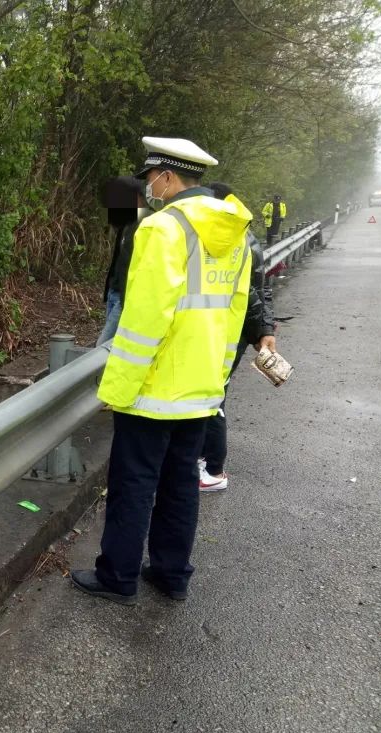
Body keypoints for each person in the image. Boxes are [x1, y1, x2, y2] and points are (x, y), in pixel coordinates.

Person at [71, 137, 252, 605]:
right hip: (202, 388)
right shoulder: (236, 233)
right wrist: (218, 379)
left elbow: (145, 320)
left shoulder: (162, 230)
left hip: (153, 390)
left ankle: (117, 577)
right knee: (180, 484)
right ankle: (172, 574)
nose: (149, 186)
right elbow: (233, 314)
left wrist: (118, 387)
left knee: (134, 483)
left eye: (151, 177)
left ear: (168, 177)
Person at [198, 182, 277, 492]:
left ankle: (213, 470)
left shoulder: (236, 242)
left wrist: (263, 331)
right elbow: (262, 290)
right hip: (236, 328)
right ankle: (205, 460)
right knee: (214, 395)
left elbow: (254, 294)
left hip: (232, 328)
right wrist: (265, 330)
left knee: (214, 399)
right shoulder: (244, 237)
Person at [97, 176, 148, 346]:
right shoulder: (127, 223)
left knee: (102, 346)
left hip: (125, 297)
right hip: (114, 292)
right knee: (112, 345)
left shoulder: (148, 223)